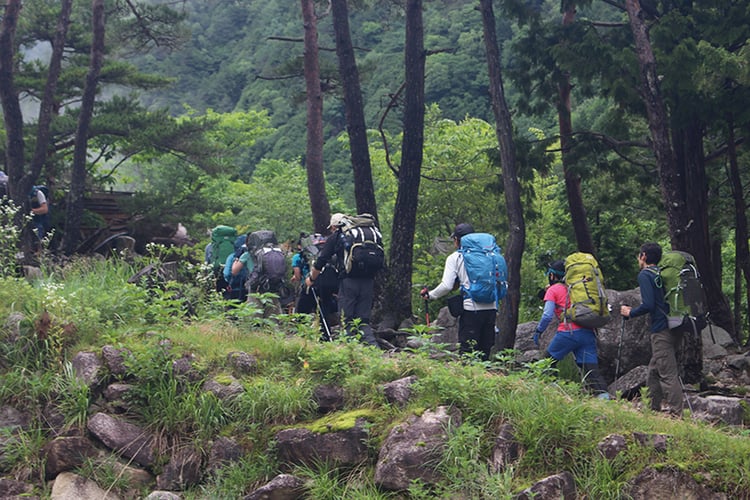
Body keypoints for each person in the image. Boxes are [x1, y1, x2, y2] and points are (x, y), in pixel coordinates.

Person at [621, 242, 684, 416]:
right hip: (675, 324)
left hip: (661, 329)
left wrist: (630, 312)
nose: (638, 258)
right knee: (654, 370)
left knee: (667, 373)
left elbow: (648, 304)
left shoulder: (645, 275)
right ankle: (651, 409)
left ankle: (677, 415)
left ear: (644, 256)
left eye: (639, 255)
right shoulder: (662, 273)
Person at [533, 260, 610, 398]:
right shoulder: (577, 288)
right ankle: (606, 402)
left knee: (546, 364)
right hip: (588, 332)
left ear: (552, 275)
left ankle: (553, 394)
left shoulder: (553, 290)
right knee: (591, 372)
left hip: (568, 333)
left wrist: (539, 330)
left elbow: (547, 315)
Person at [420, 223, 496, 361]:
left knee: (468, 352)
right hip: (491, 307)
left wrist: (430, 295)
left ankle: (468, 379)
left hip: (471, 310)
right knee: (485, 352)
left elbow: (447, 286)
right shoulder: (489, 254)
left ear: (456, 240)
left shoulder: (455, 258)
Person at [306, 213, 378, 347]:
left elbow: (322, 260)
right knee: (363, 320)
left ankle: (350, 351)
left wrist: (311, 278)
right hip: (369, 280)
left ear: (335, 226)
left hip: (349, 281)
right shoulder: (370, 234)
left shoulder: (338, 236)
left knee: (346, 319)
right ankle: (373, 350)